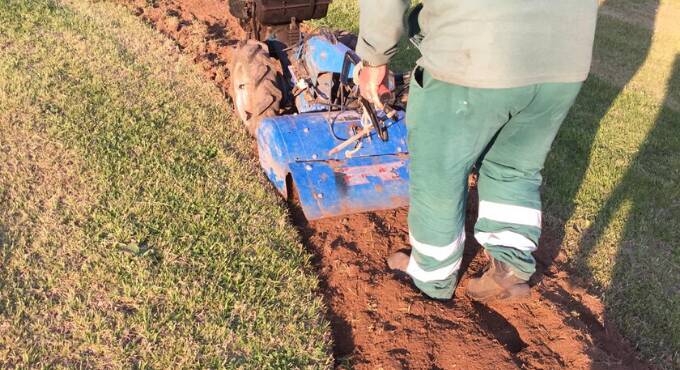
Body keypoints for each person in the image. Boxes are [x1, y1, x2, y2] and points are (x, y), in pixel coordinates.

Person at [357, 0, 598, 301]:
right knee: (513, 168)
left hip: (474, 51)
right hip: (564, 59)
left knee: (439, 174)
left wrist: (374, 57)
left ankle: (432, 280)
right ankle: (510, 266)